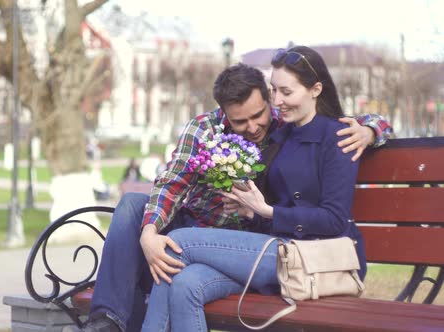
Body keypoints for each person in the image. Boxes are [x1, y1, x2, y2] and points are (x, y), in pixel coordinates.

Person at [78, 62, 392, 332]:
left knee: (179, 260)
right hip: (199, 227)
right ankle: (108, 319)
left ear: (268, 98)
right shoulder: (205, 128)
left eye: (258, 115)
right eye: (240, 121)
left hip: (248, 240)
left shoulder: (286, 121)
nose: (253, 127)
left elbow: (351, 122)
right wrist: (148, 235)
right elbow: (172, 183)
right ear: (224, 113)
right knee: (133, 205)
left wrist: (371, 130)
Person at [140, 45, 367, 331]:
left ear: (315, 89)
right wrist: (251, 213)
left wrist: (267, 211)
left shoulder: (339, 136)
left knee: (177, 242)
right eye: (275, 91)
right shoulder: (278, 135)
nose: (279, 102)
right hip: (272, 253)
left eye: (287, 92)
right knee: (185, 283)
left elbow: (334, 220)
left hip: (312, 256)